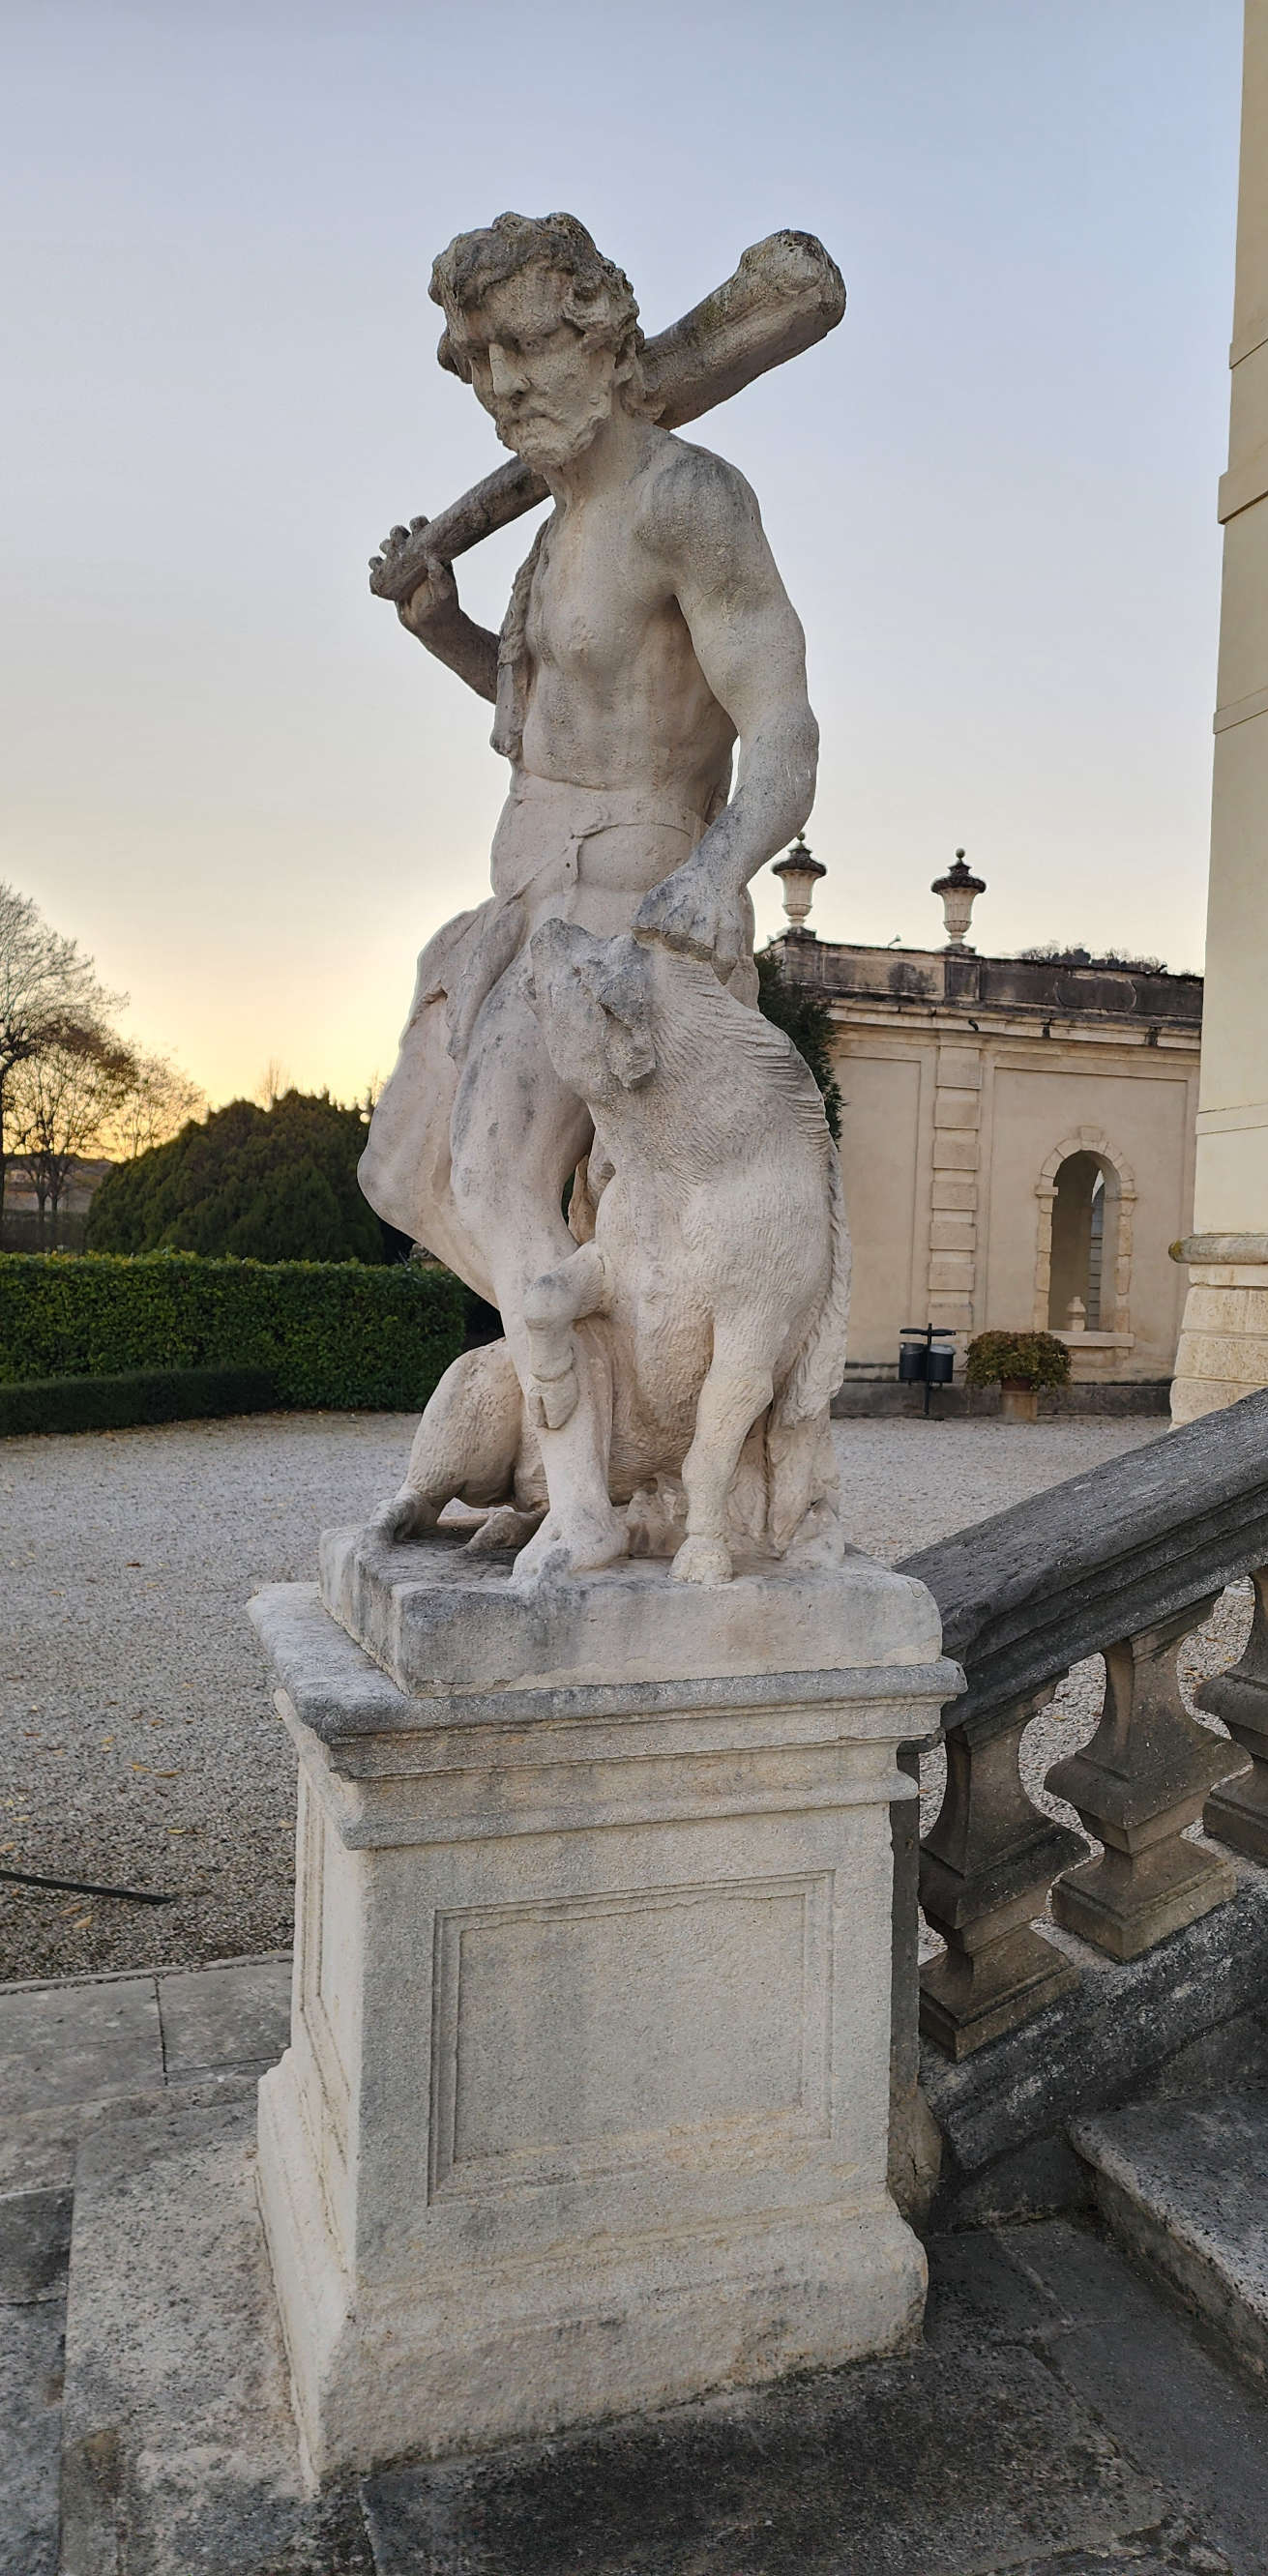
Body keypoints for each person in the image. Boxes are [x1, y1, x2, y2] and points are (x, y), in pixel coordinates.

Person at [360, 212, 818, 1578]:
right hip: (511, 899)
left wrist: (719, 867)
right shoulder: (552, 541)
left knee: (498, 1176)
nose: (502, 386)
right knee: (402, 1175)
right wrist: (442, 623)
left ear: (609, 333)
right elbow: (545, 724)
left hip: (625, 896)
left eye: (526, 346)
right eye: (477, 364)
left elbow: (785, 730)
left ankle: (580, 1500)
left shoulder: (691, 498)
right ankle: (616, 1379)